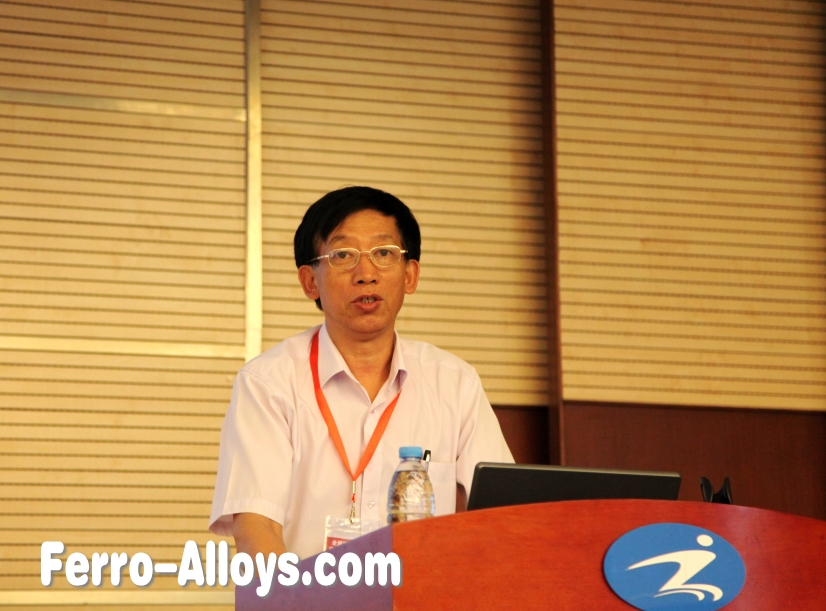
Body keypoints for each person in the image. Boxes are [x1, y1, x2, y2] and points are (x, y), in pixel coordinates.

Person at [208, 186, 513, 559]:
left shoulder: (455, 384)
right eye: (342, 255)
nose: (366, 273)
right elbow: (257, 527)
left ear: (410, 275)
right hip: (309, 593)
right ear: (310, 281)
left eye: (384, 253)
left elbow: (502, 517)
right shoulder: (268, 383)